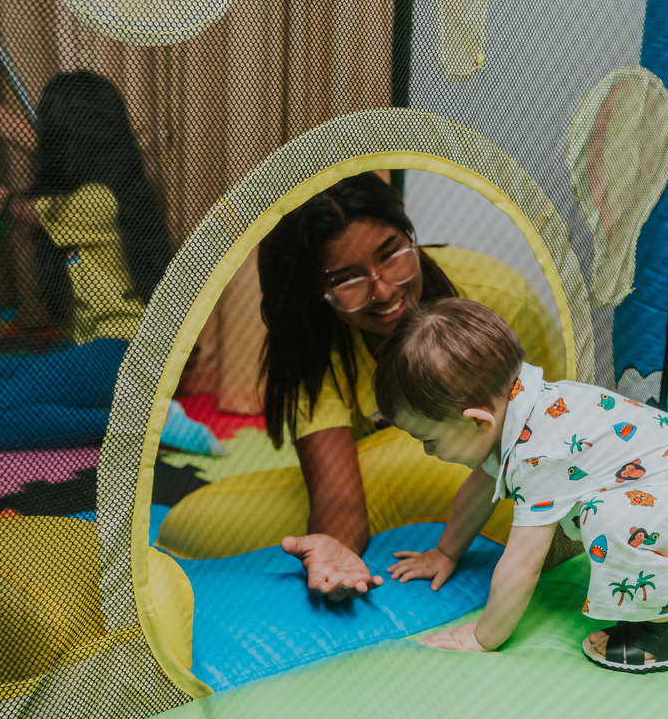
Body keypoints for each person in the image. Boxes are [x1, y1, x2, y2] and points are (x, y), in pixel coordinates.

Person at [155, 172, 565, 598]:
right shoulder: (319, 349)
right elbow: (337, 494)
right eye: (347, 279)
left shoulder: (499, 297)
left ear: (410, 233)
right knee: (190, 523)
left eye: (392, 255)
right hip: (398, 483)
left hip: (510, 476)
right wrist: (334, 549)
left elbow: (557, 421)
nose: (384, 290)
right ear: (318, 290)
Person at [377, 298, 668, 673]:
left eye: (428, 439)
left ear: (478, 421)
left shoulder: (539, 452)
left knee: (604, 519)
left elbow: (523, 565)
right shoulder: (521, 404)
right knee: (617, 512)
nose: (426, 452)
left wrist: (481, 636)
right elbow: (480, 488)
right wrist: (446, 553)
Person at [0, 72, 219, 452]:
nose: (41, 133)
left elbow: (9, 206)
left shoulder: (94, 201)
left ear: (68, 132)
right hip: (104, 353)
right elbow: (25, 138)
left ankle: (144, 424)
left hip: (123, 354)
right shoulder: (105, 174)